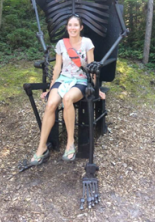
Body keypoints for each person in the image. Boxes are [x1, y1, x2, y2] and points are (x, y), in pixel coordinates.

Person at [30, 14, 105, 165]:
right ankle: (42, 147)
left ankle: (70, 142)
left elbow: (91, 68)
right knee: (51, 104)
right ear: (67, 27)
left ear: (81, 27)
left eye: (76, 25)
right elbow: (57, 68)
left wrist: (97, 89)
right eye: (70, 25)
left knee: (67, 99)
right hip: (63, 79)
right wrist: (50, 88)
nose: (72, 28)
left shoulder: (87, 43)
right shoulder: (61, 44)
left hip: (81, 80)